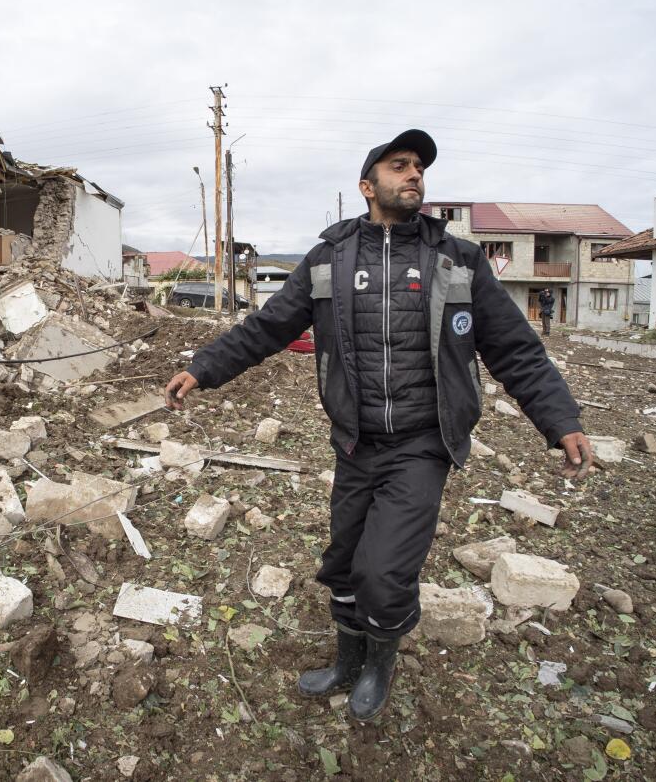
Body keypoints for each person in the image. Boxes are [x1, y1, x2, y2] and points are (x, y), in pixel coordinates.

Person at [164, 129, 594, 722]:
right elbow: (267, 329)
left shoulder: (457, 260)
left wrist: (560, 419)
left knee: (383, 572)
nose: (414, 174)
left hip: (423, 443)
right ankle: (347, 659)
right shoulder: (329, 260)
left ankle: (379, 666)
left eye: (419, 167)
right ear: (368, 187)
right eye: (400, 166)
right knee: (342, 564)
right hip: (356, 442)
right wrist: (203, 368)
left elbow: (515, 349)